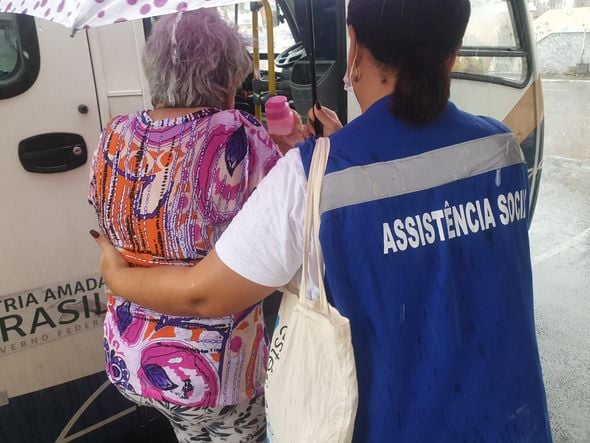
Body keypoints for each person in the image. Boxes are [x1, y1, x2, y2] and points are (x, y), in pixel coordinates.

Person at [92, 0, 552, 441]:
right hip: (511, 419)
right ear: (453, 52)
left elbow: (203, 293)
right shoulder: (500, 148)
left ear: (353, 46)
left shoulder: (313, 174)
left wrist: (117, 277)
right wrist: (335, 147)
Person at [88, 10, 287, 443]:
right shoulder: (239, 135)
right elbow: (287, 211)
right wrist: (292, 152)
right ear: (227, 76)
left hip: (130, 353)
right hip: (211, 372)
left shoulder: (113, 134)